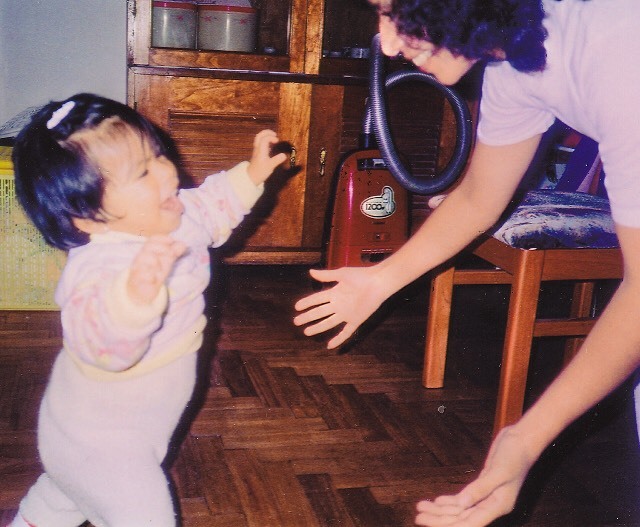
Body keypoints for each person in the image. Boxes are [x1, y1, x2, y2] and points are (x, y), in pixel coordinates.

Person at [293, 0, 640, 525]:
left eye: (393, 12)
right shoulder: (512, 63)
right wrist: (381, 280)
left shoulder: (619, 47)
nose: (385, 44)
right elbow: (480, 195)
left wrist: (524, 440)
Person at [8, 93, 287, 527]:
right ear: (87, 218)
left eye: (156, 153)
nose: (165, 172)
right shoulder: (97, 268)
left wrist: (251, 175)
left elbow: (214, 204)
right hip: (100, 442)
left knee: (62, 496)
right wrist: (133, 299)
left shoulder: (175, 213)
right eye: (141, 172)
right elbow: (98, 340)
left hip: (118, 427)